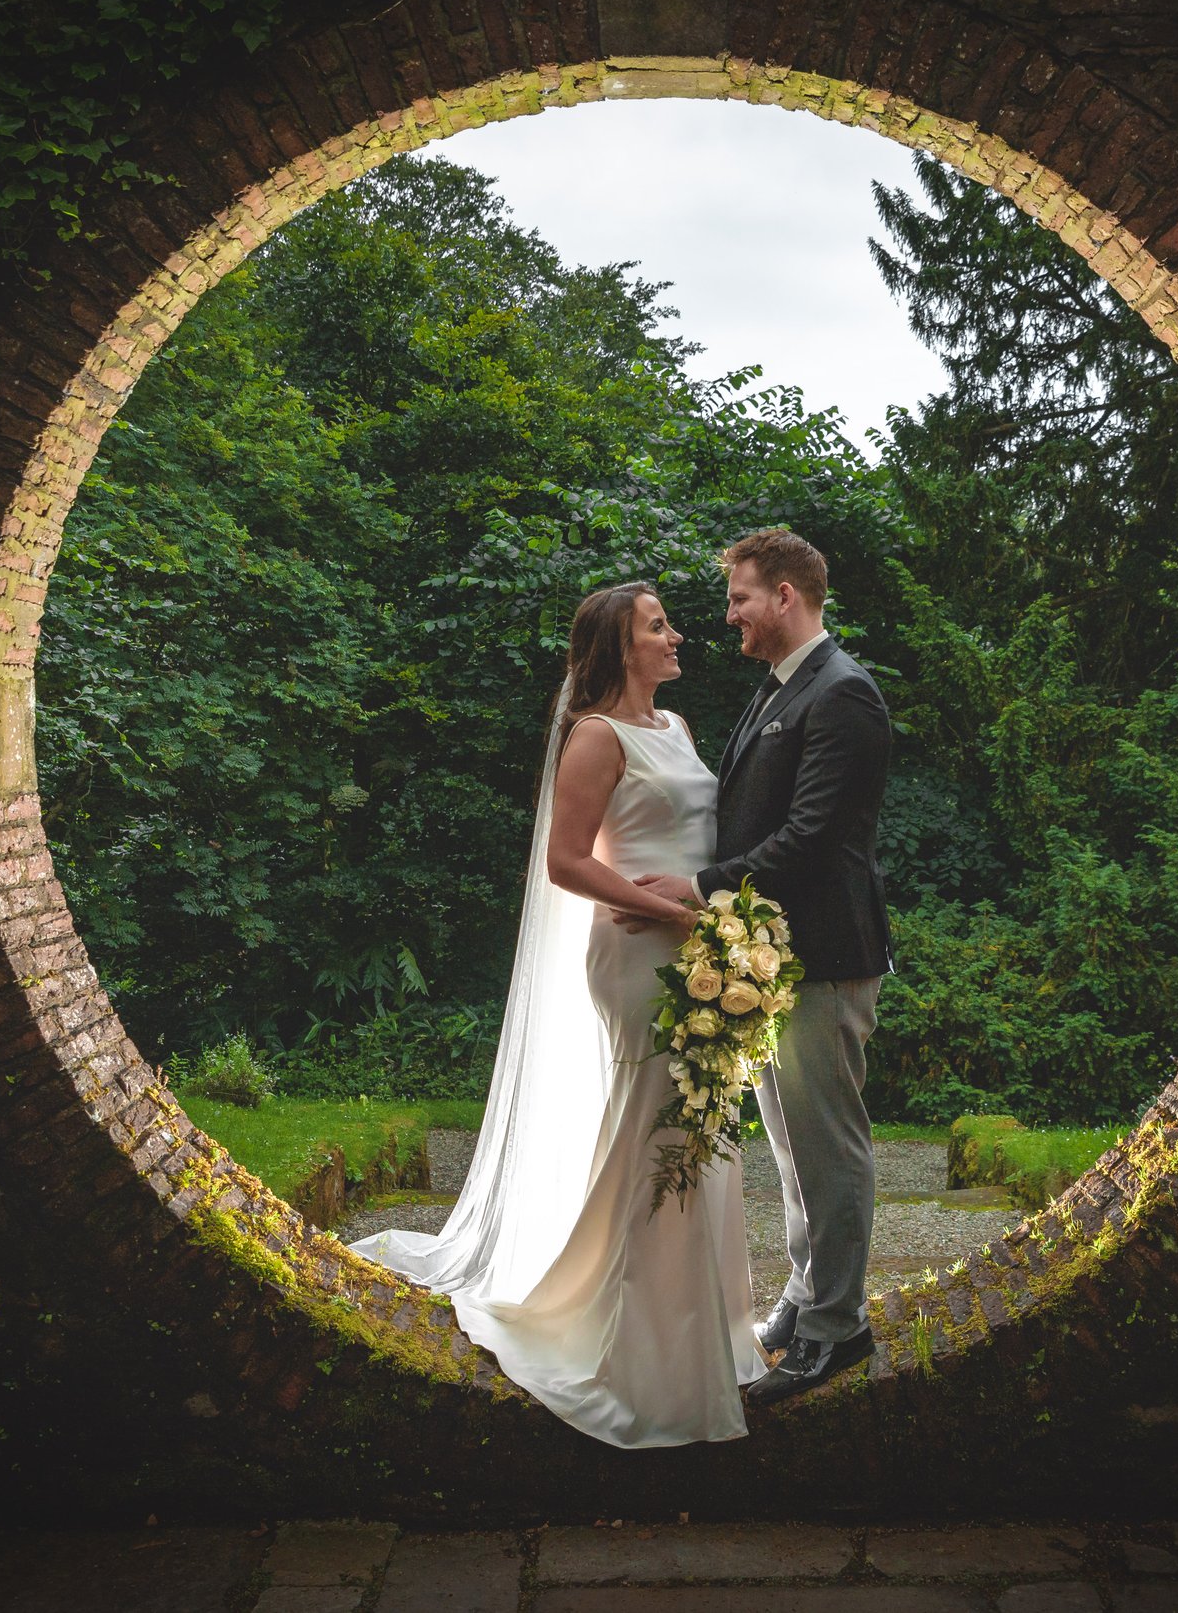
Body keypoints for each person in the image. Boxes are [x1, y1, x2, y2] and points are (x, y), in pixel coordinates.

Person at [351, 581, 766, 1447]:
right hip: (638, 952)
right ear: (621, 646)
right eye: (659, 626)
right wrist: (669, 914)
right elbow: (566, 861)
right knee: (658, 1133)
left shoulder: (679, 730)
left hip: (699, 943)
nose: (678, 634)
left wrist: (713, 918)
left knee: (704, 1136)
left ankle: (707, 1340)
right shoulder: (594, 736)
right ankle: (633, 1352)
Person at [626, 527, 893, 1406]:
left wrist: (702, 887)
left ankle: (837, 1330)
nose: (728, 613)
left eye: (741, 596)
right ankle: (804, 1296)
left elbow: (812, 839)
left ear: (786, 596)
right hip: (776, 956)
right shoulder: (780, 686)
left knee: (827, 1143)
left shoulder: (843, 693)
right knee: (789, 1142)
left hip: (823, 953)